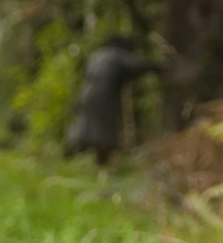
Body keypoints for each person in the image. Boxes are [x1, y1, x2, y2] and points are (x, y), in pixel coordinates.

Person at [64, 36, 163, 164]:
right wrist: (158, 67)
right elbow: (135, 65)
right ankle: (100, 164)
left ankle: (82, 159)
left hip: (86, 92)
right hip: (103, 95)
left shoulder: (97, 55)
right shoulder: (116, 55)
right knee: (103, 133)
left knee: (89, 128)